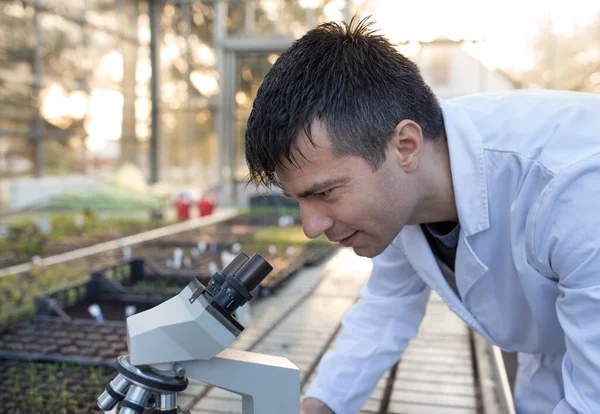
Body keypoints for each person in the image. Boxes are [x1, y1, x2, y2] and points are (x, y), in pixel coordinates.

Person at [244, 17, 600, 414]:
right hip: (555, 361)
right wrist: (317, 408)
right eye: (298, 200)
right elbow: (386, 308)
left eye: (325, 192)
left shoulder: (575, 188)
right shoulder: (403, 192)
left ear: (406, 145)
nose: (311, 227)